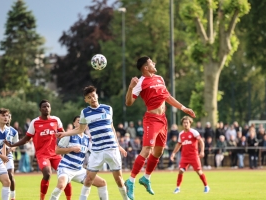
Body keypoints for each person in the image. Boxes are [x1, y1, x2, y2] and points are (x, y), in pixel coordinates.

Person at [124, 56, 196, 200]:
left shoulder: (160, 78)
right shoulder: (141, 82)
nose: (154, 63)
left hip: (163, 120)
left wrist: (183, 108)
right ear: (145, 67)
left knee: (158, 152)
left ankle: (146, 178)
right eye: (151, 62)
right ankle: (130, 181)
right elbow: (129, 102)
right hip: (151, 120)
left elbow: (167, 97)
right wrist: (131, 87)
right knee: (147, 149)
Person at [57, 86, 129, 200]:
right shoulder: (85, 112)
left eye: (93, 96)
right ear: (86, 100)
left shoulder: (108, 108)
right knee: (89, 179)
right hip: (97, 151)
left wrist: (118, 145)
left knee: (119, 179)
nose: (92, 98)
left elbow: (112, 128)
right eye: (89, 97)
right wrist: (65, 134)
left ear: (97, 95)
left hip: (112, 148)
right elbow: (80, 129)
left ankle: (126, 198)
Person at [4, 100, 72, 200]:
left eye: (48, 106)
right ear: (40, 109)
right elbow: (26, 139)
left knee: (66, 176)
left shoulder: (56, 120)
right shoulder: (35, 122)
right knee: (47, 174)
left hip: (56, 153)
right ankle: (42, 198)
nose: (46, 108)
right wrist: (12, 145)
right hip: (42, 154)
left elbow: (64, 135)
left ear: (50, 108)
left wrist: (70, 144)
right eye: (44, 107)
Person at [50, 116, 108, 200]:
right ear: (74, 124)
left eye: (83, 122)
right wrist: (72, 149)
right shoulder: (69, 135)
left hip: (79, 170)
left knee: (102, 183)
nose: (80, 123)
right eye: (78, 121)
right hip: (66, 168)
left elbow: (95, 151)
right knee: (61, 185)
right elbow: (57, 151)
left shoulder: (87, 138)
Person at [170, 116, 210, 194]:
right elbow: (178, 144)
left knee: (199, 172)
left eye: (187, 122)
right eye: (184, 122)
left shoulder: (194, 132)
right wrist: (173, 153)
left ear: (190, 123)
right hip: (184, 156)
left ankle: (206, 186)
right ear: (182, 124)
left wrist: (202, 151)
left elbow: (201, 142)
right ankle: (177, 188)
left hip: (194, 156)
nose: (185, 124)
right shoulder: (181, 134)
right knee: (181, 171)